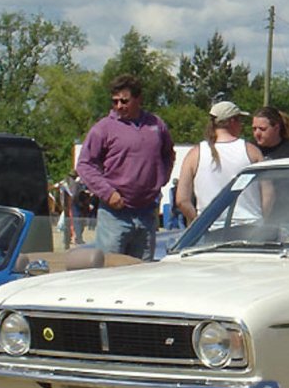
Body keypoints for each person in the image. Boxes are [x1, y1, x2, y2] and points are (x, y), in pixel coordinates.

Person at [76, 74, 175, 261]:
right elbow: (84, 164)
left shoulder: (156, 125)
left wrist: (161, 179)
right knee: (110, 270)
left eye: (124, 101)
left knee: (141, 271)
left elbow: (168, 153)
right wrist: (108, 193)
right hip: (114, 215)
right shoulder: (103, 128)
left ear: (139, 99)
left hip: (147, 213)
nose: (119, 106)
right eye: (115, 101)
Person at [175, 101, 263, 224]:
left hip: (211, 228)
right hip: (250, 226)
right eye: (240, 120)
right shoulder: (252, 151)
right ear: (232, 121)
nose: (241, 125)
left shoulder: (195, 154)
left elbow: (181, 200)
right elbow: (268, 194)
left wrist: (199, 223)